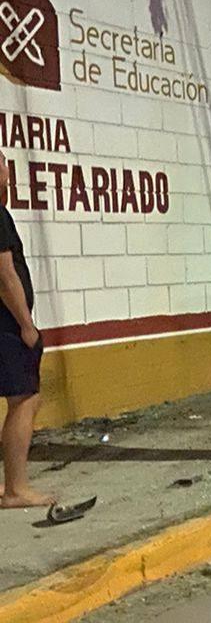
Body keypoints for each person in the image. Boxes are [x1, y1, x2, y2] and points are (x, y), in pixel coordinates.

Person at [0, 151, 51, 507]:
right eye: (2, 164)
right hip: (6, 325)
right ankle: (16, 488)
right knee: (24, 399)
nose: (7, 169)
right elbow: (5, 276)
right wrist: (26, 324)